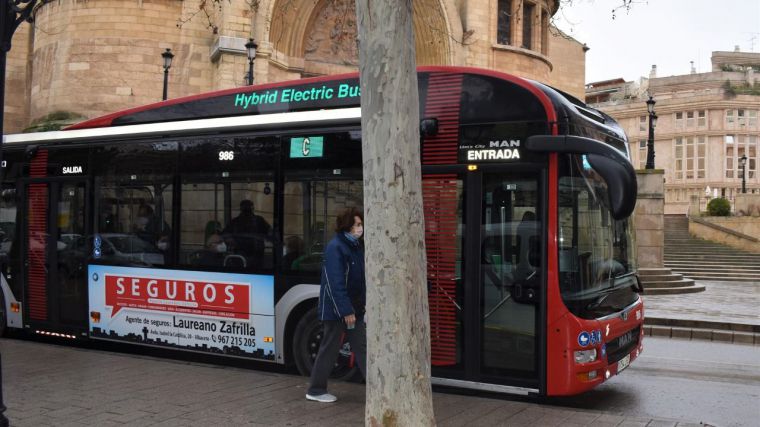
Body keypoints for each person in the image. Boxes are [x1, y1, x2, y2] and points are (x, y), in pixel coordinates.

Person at [305, 208, 366, 403]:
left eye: (361, 224)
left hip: (353, 309)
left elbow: (359, 280)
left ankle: (378, 390)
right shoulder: (336, 247)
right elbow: (334, 282)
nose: (361, 228)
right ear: (347, 226)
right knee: (329, 349)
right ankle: (315, 390)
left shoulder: (355, 246)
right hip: (338, 311)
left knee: (363, 348)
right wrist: (346, 310)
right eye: (357, 224)